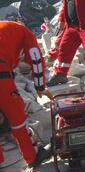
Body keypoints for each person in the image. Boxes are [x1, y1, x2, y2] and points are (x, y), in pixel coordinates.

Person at [0, 21, 52, 169]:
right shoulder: (25, 32)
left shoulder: (4, 29)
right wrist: (40, 86)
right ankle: (32, 156)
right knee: (17, 117)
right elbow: (36, 60)